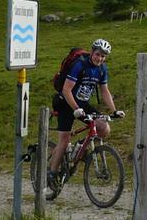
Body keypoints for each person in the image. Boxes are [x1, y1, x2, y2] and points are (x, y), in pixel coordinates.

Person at [47, 38, 124, 198]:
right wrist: (76, 109)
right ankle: (52, 173)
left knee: (103, 127)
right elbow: (67, 90)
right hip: (66, 103)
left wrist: (114, 110)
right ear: (92, 52)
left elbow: (104, 91)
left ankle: (79, 148)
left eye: (103, 56)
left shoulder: (102, 69)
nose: (100, 58)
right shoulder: (79, 65)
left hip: (82, 104)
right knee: (64, 140)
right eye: (97, 54)